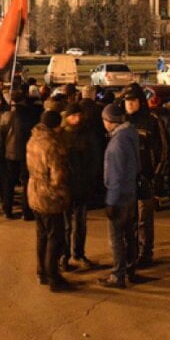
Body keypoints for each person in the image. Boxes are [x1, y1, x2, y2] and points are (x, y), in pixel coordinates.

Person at [27, 111, 72, 292]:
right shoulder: (52, 145)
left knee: (42, 235)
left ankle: (42, 272)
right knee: (56, 237)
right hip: (49, 196)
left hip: (34, 191)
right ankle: (54, 277)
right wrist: (62, 195)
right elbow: (57, 176)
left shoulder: (33, 139)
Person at [123, 87, 167, 266]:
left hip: (146, 178)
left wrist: (156, 176)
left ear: (141, 102)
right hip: (126, 179)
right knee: (128, 219)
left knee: (144, 220)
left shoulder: (151, 121)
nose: (130, 104)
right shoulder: (122, 121)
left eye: (133, 100)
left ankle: (145, 253)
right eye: (127, 101)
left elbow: (162, 150)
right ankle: (130, 253)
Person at [98, 104, 140, 289]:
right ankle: (131, 269)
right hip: (130, 191)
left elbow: (115, 175)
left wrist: (111, 201)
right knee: (130, 235)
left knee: (116, 237)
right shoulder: (130, 135)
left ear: (110, 121)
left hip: (120, 195)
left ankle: (118, 275)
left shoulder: (116, 143)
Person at [60, 102, 101, 270]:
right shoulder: (61, 134)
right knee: (66, 224)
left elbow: (95, 158)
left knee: (80, 223)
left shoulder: (88, 133)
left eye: (78, 115)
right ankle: (64, 256)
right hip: (66, 186)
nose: (76, 119)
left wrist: (92, 177)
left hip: (83, 184)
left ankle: (79, 253)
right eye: (73, 116)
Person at [0, 90, 37, 220]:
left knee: (9, 183)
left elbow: (1, 137)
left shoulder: (5, 116)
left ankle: (7, 209)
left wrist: (2, 151)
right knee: (26, 182)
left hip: (9, 153)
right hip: (26, 154)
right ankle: (26, 211)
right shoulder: (30, 116)